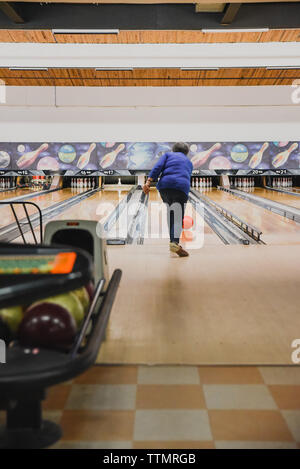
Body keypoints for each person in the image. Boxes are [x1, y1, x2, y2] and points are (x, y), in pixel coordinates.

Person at [143, 142, 193, 257]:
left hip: (165, 187)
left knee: (171, 212)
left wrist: (148, 182)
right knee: (178, 216)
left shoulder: (167, 155)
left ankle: (173, 242)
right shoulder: (189, 162)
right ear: (186, 152)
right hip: (181, 188)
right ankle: (174, 242)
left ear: (173, 150)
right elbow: (187, 175)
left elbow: (157, 168)